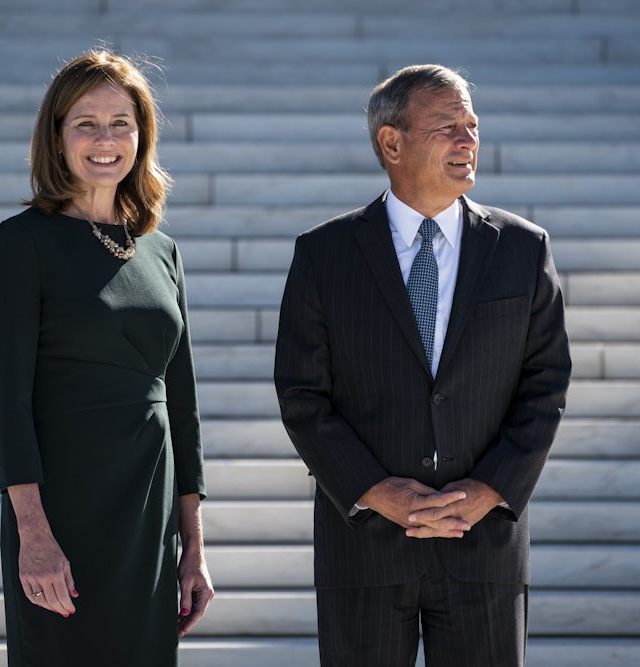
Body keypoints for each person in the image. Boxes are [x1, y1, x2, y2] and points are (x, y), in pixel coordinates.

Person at [273, 64, 571, 667]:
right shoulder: (324, 254)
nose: (468, 141)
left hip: (483, 545)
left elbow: (546, 386)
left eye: (472, 126)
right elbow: (303, 394)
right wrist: (376, 491)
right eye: (447, 127)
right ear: (392, 143)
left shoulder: (522, 248)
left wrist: (489, 489)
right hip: (365, 549)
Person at [0, 50, 214, 667]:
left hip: (149, 508)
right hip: (65, 508)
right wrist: (33, 535)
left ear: (142, 135)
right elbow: (7, 400)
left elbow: (183, 406)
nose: (105, 139)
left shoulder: (162, 250)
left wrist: (193, 548)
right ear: (56, 137)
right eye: (85, 122)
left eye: (121, 122)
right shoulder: (21, 242)